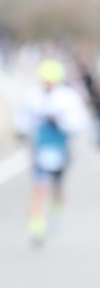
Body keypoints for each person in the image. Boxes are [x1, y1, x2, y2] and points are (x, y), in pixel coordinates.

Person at [15, 58, 89, 244]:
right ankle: (36, 226)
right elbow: (24, 117)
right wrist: (20, 130)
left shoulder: (68, 98)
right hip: (41, 149)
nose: (46, 84)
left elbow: (80, 122)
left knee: (58, 188)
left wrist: (61, 122)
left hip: (61, 149)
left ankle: (55, 214)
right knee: (39, 187)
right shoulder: (33, 96)